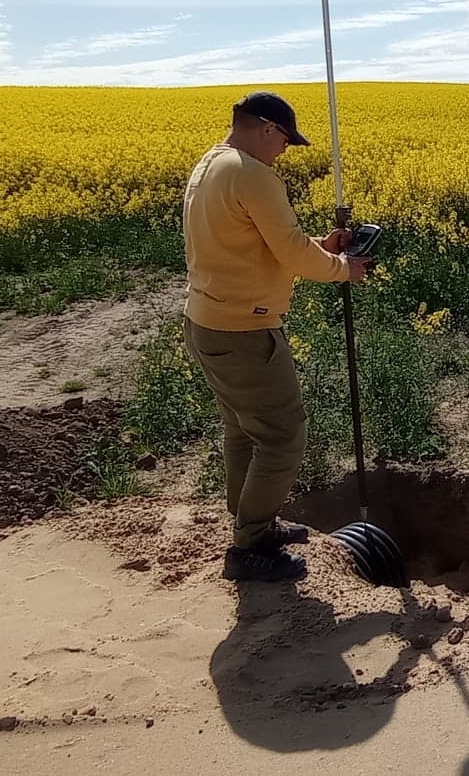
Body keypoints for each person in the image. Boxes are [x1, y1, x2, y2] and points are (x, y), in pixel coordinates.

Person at [182, 90, 370, 583]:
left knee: (243, 431)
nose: (284, 151)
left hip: (207, 322)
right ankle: (249, 548)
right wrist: (341, 268)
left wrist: (320, 248)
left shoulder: (211, 165)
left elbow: (261, 243)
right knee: (283, 439)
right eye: (285, 140)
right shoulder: (253, 173)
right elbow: (290, 251)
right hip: (245, 331)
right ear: (266, 127)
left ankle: (251, 523)